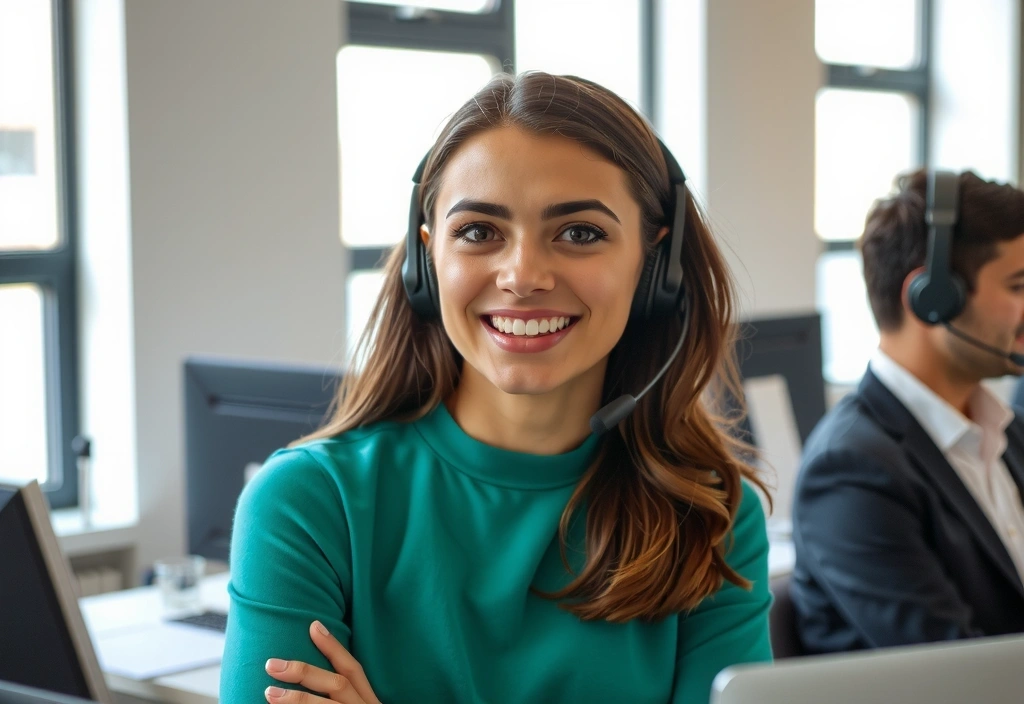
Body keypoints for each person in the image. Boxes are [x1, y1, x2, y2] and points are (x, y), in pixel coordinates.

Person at [219, 71, 772, 704]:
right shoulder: (310, 505)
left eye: (580, 233)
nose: (523, 275)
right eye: (479, 231)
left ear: (656, 265)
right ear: (429, 259)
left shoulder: (712, 518)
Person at [792, 169, 1024, 653]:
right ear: (932, 298)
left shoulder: (1006, 434)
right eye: (1019, 286)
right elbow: (955, 674)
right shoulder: (851, 471)